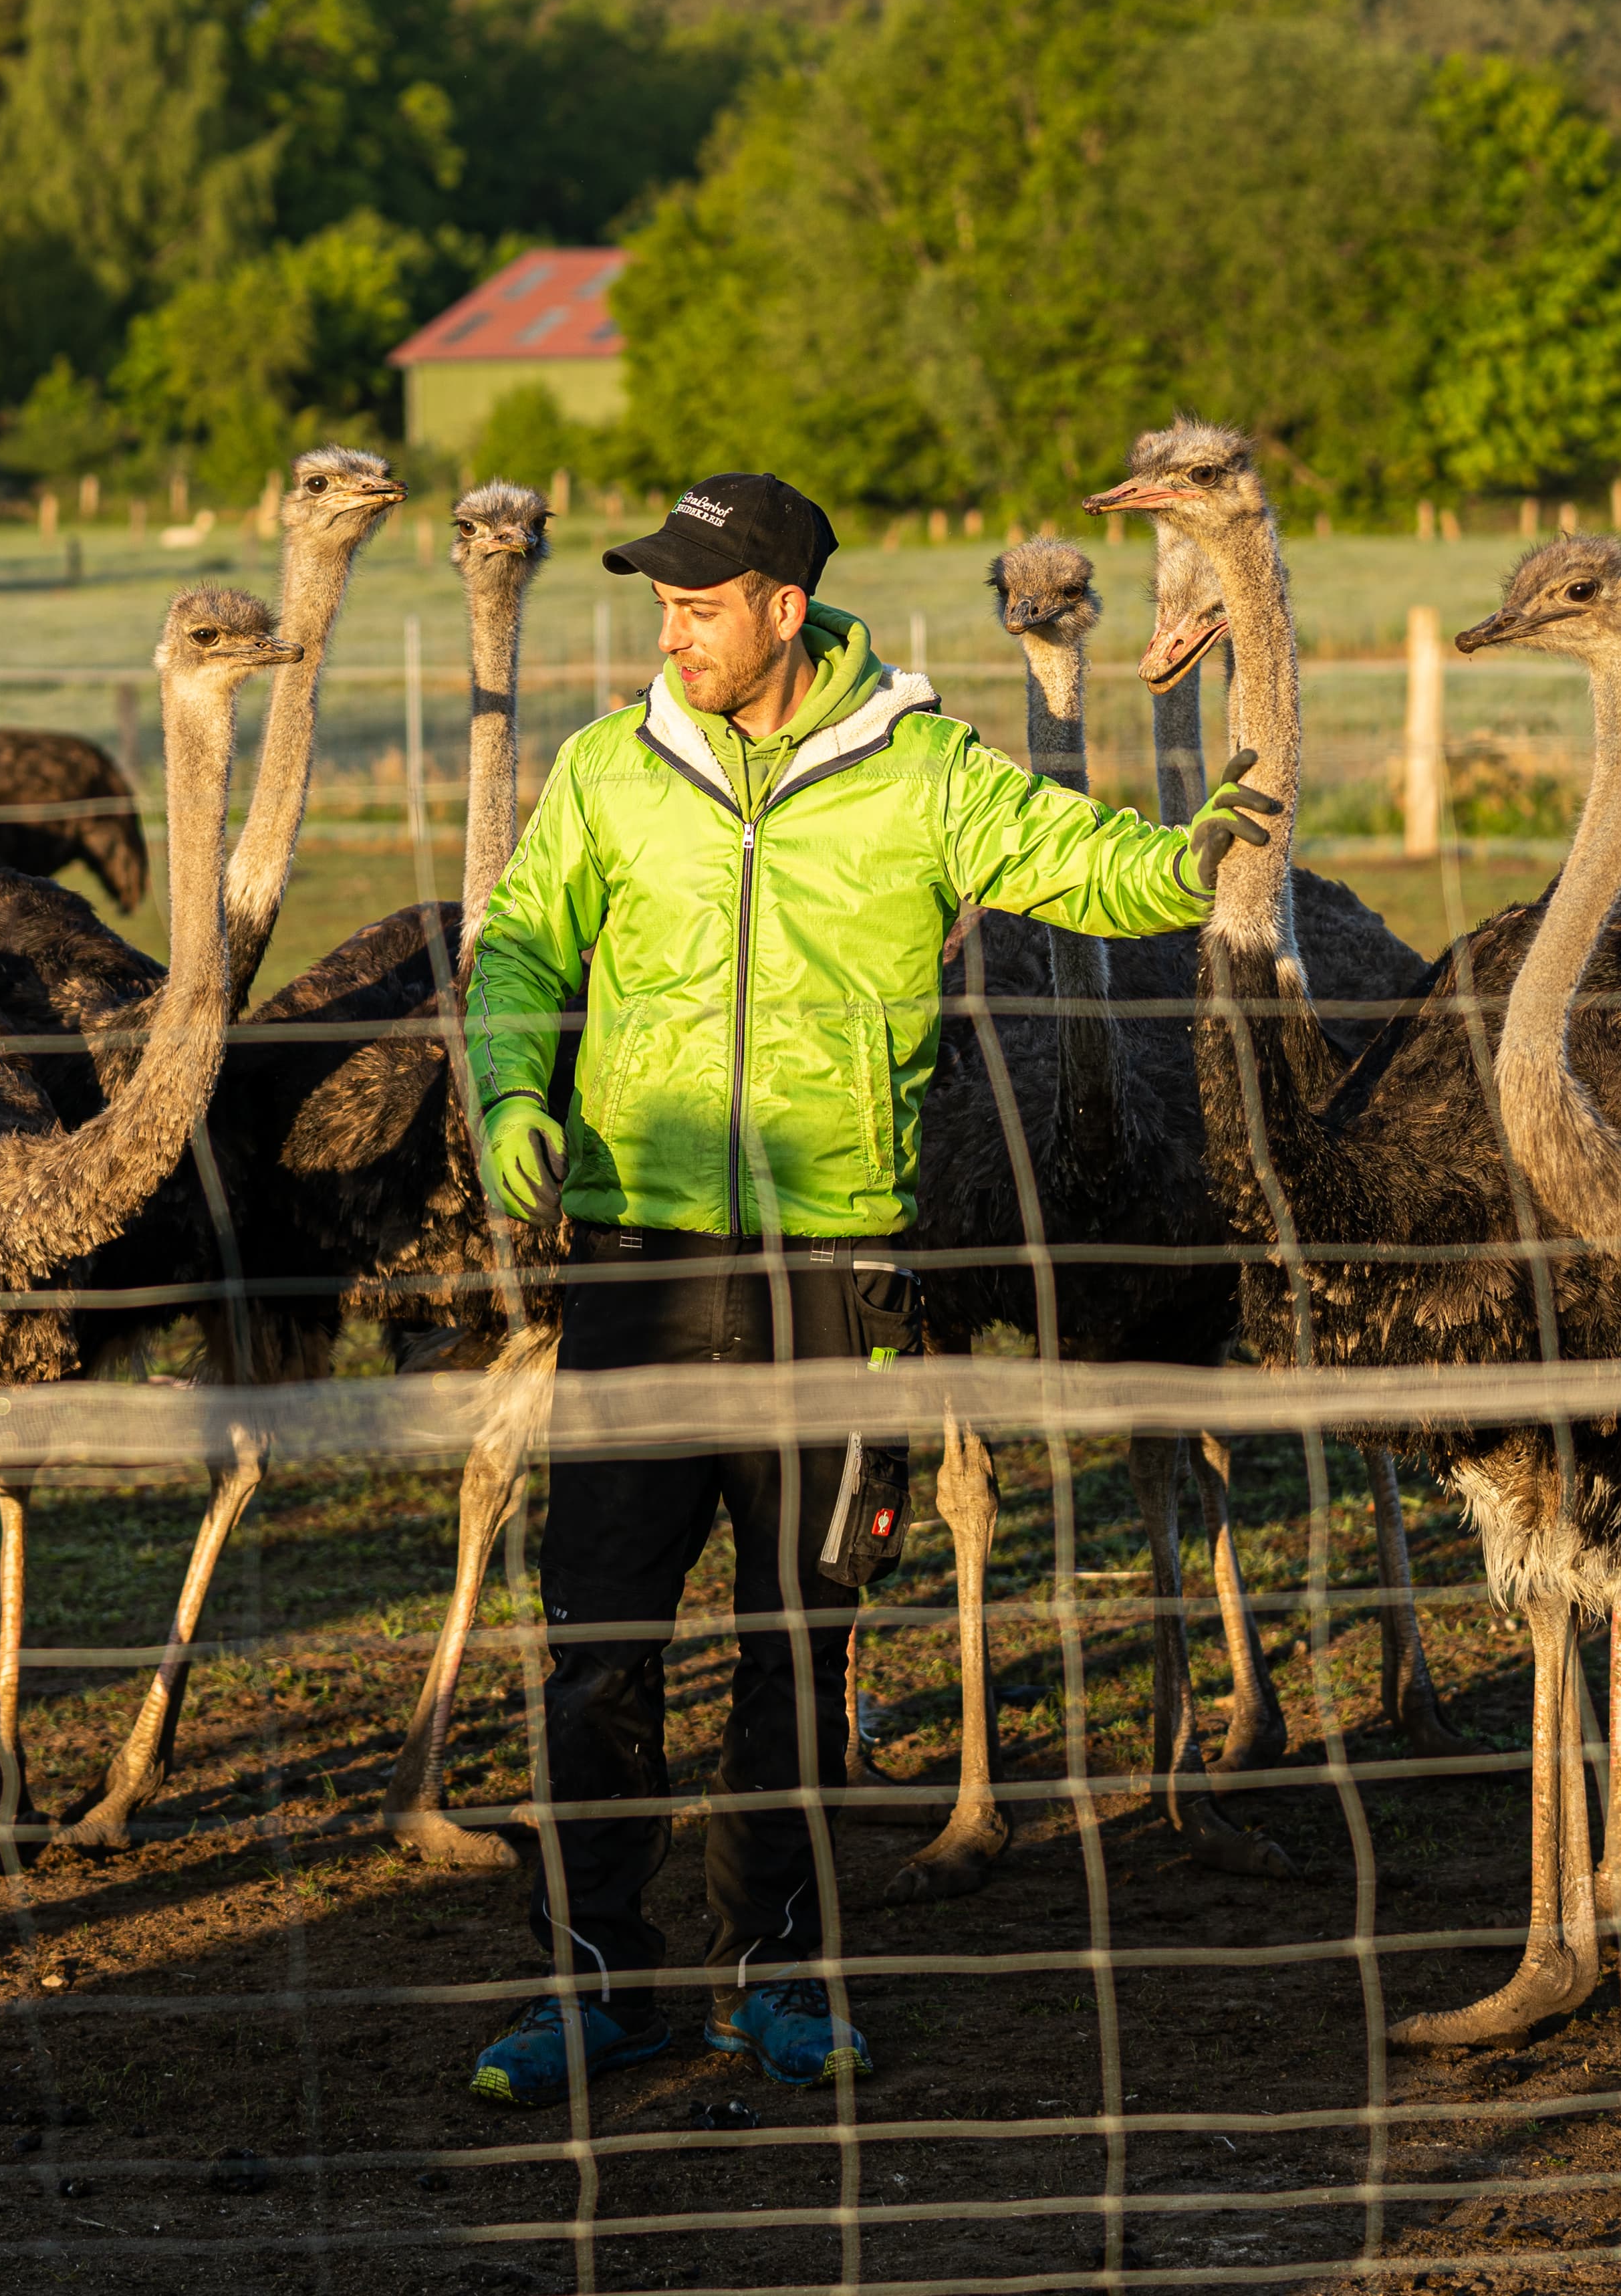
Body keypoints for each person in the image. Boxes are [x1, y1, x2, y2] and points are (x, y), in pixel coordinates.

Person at [459, 471, 1278, 2107]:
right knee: (598, 1639)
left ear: (781, 606)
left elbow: (1080, 861)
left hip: (834, 1278)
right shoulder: (610, 773)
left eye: (701, 602)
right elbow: (522, 950)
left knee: (798, 1637)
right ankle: (593, 1979)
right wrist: (508, 1095)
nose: (675, 629)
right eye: (664, 605)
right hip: (639, 1257)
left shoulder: (919, 773)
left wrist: (1195, 859)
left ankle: (775, 1973)